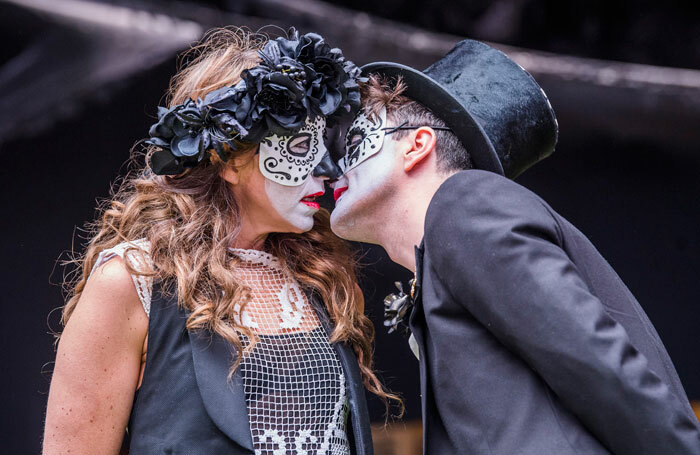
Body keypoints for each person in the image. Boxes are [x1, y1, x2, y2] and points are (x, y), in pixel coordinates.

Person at [329, 39, 700, 454]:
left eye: (359, 135)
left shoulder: (462, 204)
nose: (337, 162)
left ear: (417, 146)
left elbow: (602, 367)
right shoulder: (446, 246)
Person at [43, 28, 397, 454]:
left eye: (326, 144)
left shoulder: (322, 280)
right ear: (231, 159)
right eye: (303, 144)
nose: (326, 168)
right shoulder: (132, 281)